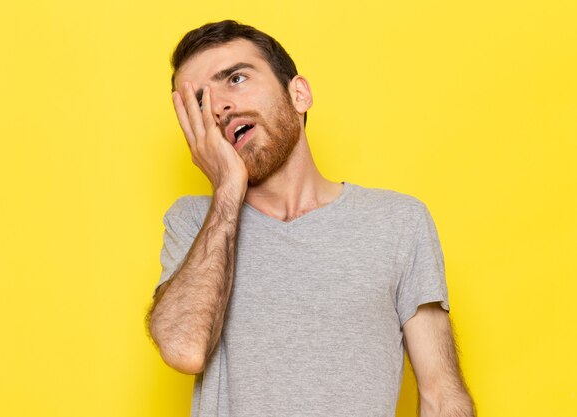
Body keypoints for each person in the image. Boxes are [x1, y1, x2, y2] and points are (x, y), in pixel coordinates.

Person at [147, 20, 475, 417]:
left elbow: (442, 396)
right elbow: (183, 349)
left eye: (235, 78)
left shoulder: (398, 222)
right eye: (200, 102)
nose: (217, 107)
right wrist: (228, 190)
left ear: (298, 93)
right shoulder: (195, 221)